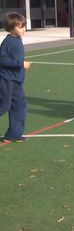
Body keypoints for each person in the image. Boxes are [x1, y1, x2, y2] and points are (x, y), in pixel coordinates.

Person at [0, 13, 31, 142]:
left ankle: (14, 134)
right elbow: (2, 60)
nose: (23, 29)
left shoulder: (18, 39)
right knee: (4, 106)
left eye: (24, 26)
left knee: (20, 106)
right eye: (20, 27)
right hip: (7, 80)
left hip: (16, 81)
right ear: (11, 28)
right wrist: (20, 64)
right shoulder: (8, 42)